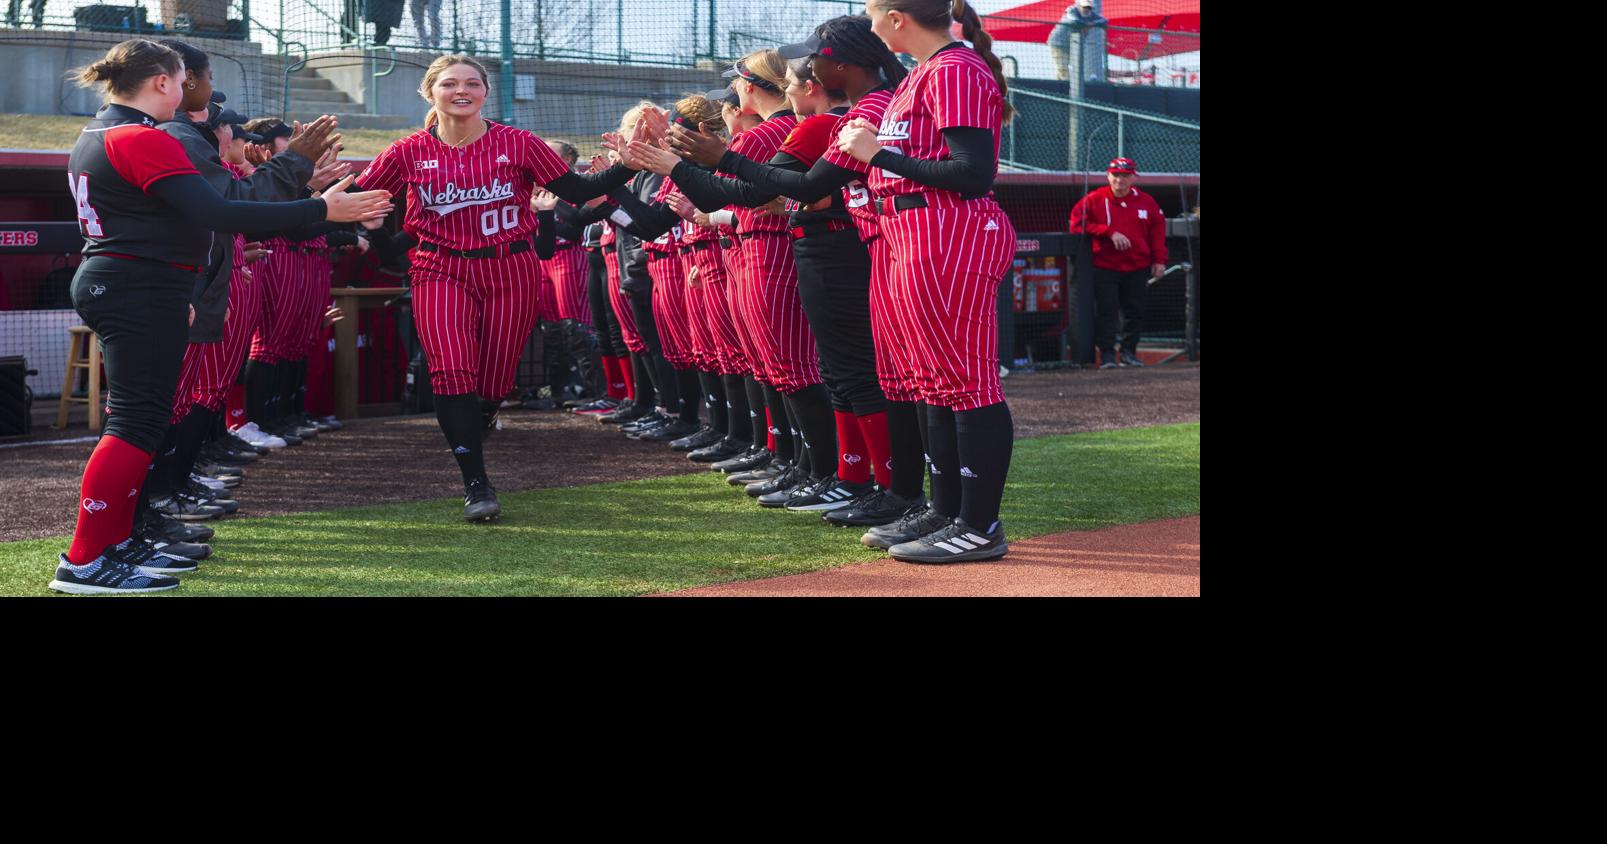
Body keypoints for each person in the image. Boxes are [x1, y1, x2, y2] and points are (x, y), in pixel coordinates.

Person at [51, 38, 391, 594]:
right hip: (134, 284)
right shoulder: (140, 137)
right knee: (135, 425)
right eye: (182, 79)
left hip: (137, 281)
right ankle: (86, 559)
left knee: (142, 422)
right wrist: (322, 207)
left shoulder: (103, 131)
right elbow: (220, 212)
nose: (186, 90)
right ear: (162, 82)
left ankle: (114, 544)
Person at [351, 54, 656, 522]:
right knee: (451, 372)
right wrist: (333, 204)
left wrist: (626, 166)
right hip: (440, 269)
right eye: (450, 83)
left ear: (485, 92)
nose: (462, 91)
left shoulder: (516, 142)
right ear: (430, 92)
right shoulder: (407, 150)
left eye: (472, 83)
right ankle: (476, 482)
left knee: (493, 381)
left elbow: (575, 190)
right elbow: (360, 199)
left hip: (509, 269)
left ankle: (487, 411)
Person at [654, 15, 926, 528]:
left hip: (838, 250)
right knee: (835, 373)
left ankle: (881, 485)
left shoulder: (829, 119)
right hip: (834, 247)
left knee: (857, 374)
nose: (735, 104)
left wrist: (690, 166)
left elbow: (771, 191)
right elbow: (776, 193)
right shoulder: (847, 114)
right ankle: (850, 477)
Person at [834, 0, 1018, 563]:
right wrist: (877, 153)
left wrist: (879, 152)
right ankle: (946, 510)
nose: (868, 26)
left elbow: (973, 171)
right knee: (931, 379)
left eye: (873, 13)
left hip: (948, 228)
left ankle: (979, 524)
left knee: (966, 380)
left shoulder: (956, 68)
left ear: (897, 18)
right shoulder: (921, 73)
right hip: (910, 229)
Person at [1068, 156, 1166, 368]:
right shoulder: (1094, 199)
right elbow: (1076, 224)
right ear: (1108, 176)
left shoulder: (1147, 202)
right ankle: (1107, 355)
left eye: (1125, 176)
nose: (1120, 181)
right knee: (1106, 310)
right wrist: (1108, 232)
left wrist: (1159, 260)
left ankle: (1129, 352)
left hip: (1137, 265)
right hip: (1105, 265)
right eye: (1116, 175)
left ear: (1133, 178)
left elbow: (1157, 232)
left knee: (1135, 311)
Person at [1047, 0, 1107, 83]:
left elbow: (1103, 20)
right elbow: (1073, 20)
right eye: (1084, 7)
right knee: (1063, 68)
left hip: (1072, 45)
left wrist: (1091, 24)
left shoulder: (1090, 15)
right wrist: (1086, 24)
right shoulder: (1071, 10)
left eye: (1089, 7)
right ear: (1079, 5)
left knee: (1070, 68)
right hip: (1058, 44)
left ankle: (1059, 87)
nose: (1087, 9)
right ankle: (1066, 88)